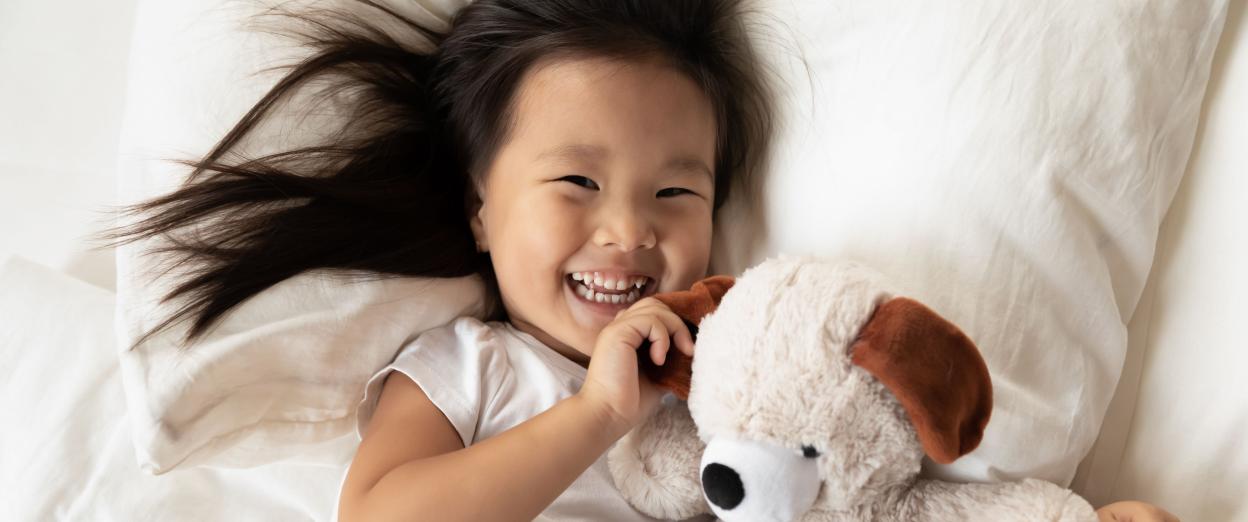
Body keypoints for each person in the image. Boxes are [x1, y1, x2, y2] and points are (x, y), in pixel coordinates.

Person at [103, 0, 1179, 520]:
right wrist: (595, 417)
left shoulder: (724, 377)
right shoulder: (471, 367)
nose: (628, 232)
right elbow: (380, 518)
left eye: (676, 193)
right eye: (576, 184)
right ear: (480, 211)